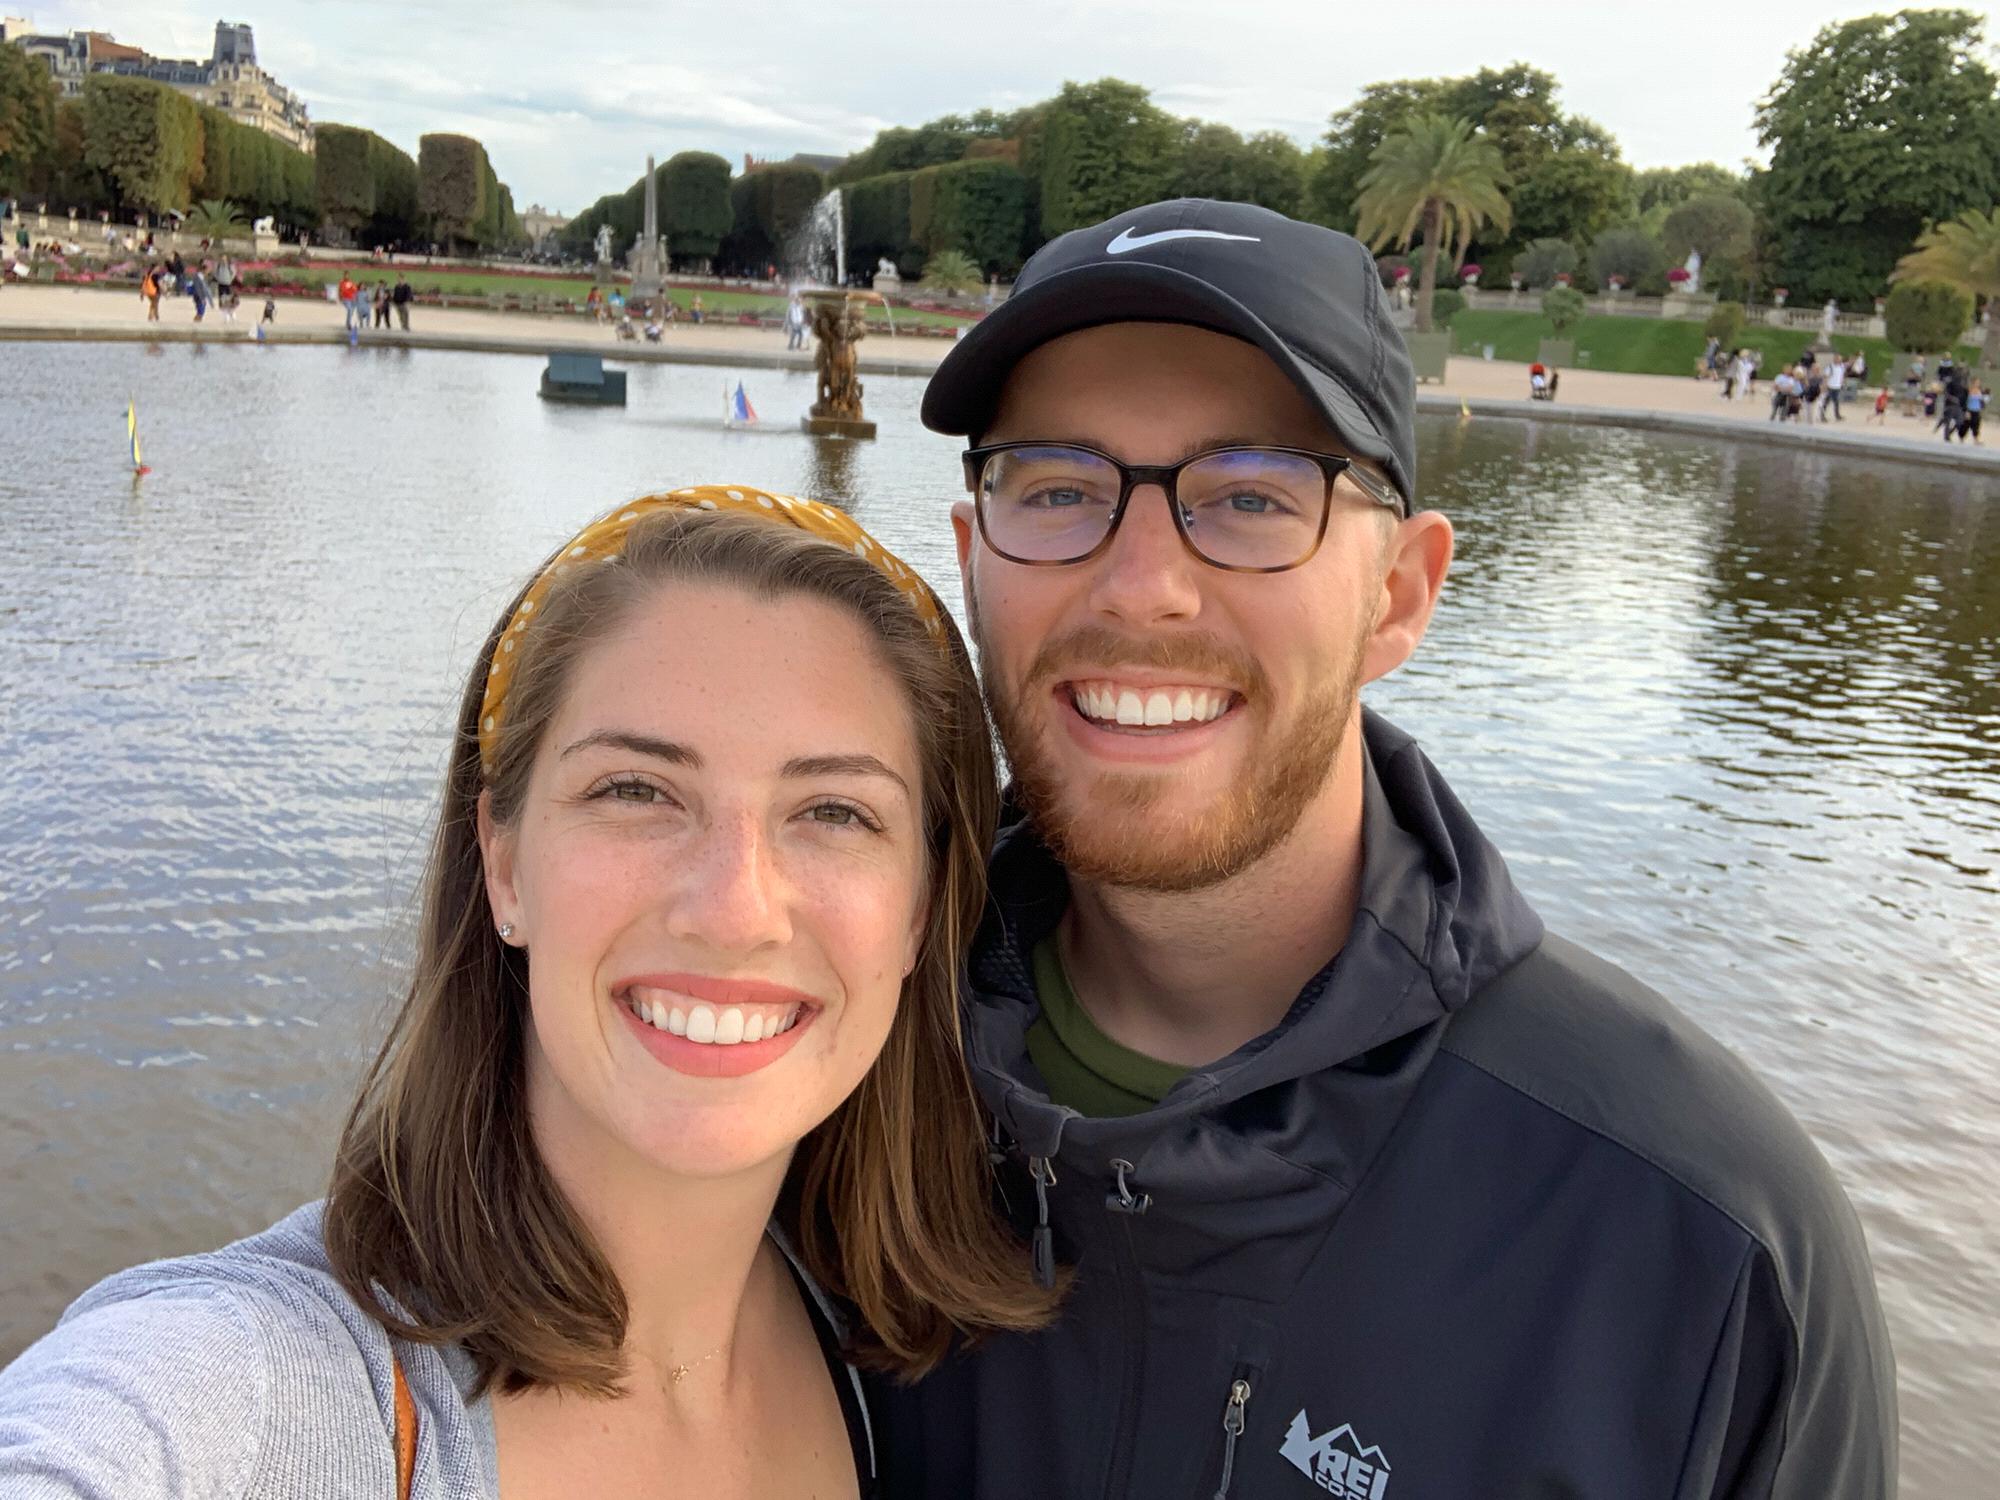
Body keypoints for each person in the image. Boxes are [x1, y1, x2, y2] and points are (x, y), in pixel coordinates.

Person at [871, 198, 1896, 1497]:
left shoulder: (1701, 1245)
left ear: (1399, 596)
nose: (1138, 585)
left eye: (1250, 496)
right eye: (1059, 490)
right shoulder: (823, 1077)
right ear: (975, 559)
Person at [0, 489, 1057, 1497]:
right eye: (635, 791)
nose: (734, 909)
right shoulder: (241, 1391)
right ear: (503, 865)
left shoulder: (872, 1359)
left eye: (832, 812)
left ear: (921, 908)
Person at [1820, 352, 1847, 421]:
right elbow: (1825, 377)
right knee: (1826, 402)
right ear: (1834, 359)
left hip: (1837, 387)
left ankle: (1837, 415)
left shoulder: (1842, 367)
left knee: (1837, 402)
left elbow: (1842, 375)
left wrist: (1842, 383)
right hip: (1830, 386)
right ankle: (1822, 415)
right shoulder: (1830, 367)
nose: (1839, 360)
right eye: (1837, 359)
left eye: (1840, 359)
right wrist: (1824, 386)